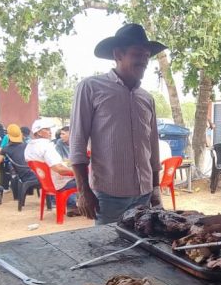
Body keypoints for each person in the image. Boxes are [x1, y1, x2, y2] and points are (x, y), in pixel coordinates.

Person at [69, 23, 164, 224]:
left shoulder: (147, 98)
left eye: (147, 56)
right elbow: (77, 143)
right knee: (109, 252)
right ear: (118, 54)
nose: (144, 61)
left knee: (141, 250)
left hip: (144, 195)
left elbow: (153, 148)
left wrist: (155, 189)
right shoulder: (91, 88)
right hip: (109, 196)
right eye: (138, 54)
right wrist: (83, 191)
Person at [26, 118, 78, 213]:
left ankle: (72, 206)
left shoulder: (29, 146)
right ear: (39, 132)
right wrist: (78, 172)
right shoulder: (46, 146)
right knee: (91, 180)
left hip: (46, 183)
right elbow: (59, 169)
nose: (50, 132)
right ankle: (96, 208)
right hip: (59, 183)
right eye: (47, 129)